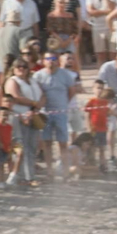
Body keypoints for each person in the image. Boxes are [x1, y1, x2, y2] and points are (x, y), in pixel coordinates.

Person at [34, 51, 80, 181]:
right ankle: (50, 170)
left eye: (53, 58)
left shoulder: (65, 74)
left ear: (57, 61)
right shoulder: (38, 76)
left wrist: (63, 104)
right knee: (47, 143)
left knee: (62, 143)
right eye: (47, 59)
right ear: (43, 61)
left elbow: (72, 91)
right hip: (45, 113)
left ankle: (65, 171)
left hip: (61, 113)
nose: (50, 61)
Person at [2, 58, 43, 188]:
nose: (21, 69)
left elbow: (43, 95)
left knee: (32, 147)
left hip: (32, 116)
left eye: (24, 66)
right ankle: (19, 176)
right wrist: (34, 104)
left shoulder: (32, 80)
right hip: (18, 117)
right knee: (20, 147)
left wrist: (35, 109)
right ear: (13, 69)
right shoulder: (12, 81)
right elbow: (15, 97)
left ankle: (30, 176)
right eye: (18, 66)